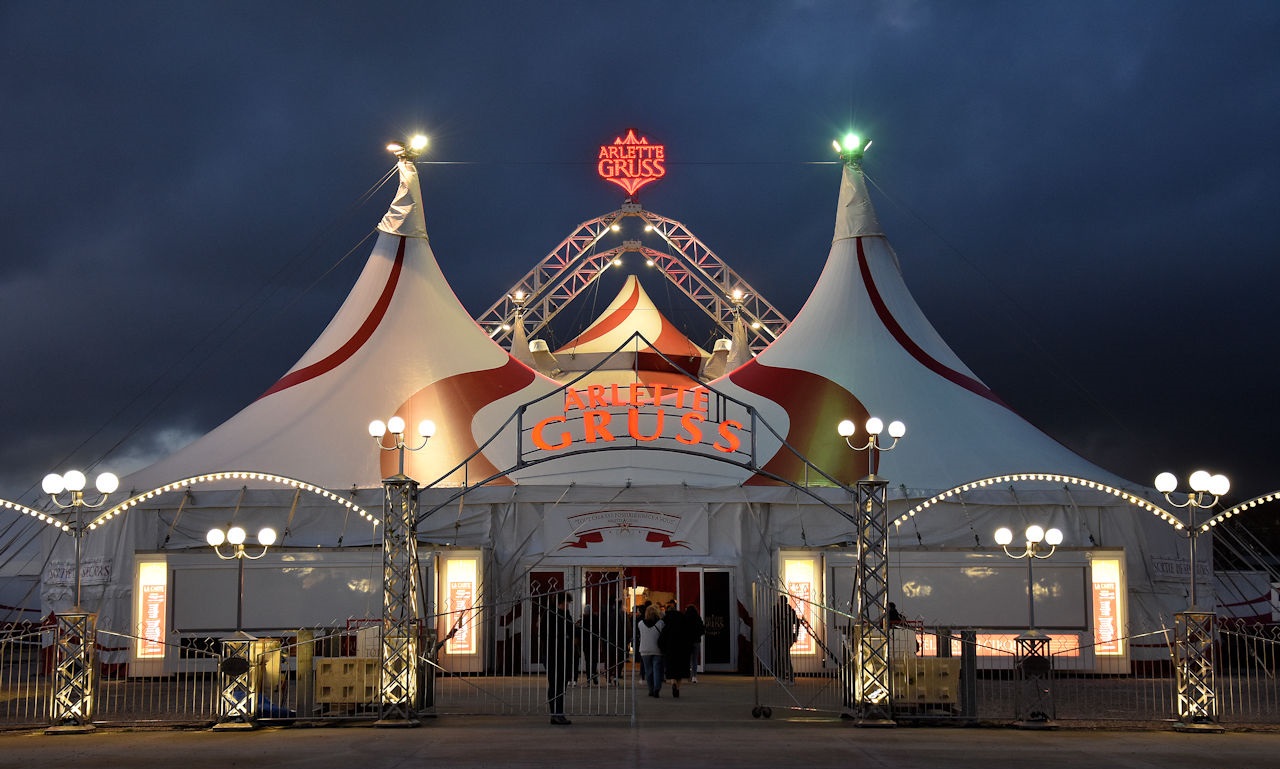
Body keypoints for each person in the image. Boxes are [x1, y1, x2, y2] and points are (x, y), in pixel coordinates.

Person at [541, 592, 576, 725]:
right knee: (555, 684)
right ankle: (556, 713)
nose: (568, 605)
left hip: (565, 654)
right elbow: (544, 634)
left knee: (562, 685)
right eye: (566, 602)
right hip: (552, 654)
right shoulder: (550, 614)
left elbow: (571, 631)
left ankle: (559, 713)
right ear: (559, 602)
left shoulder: (566, 614)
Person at [661, 603, 692, 698]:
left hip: (670, 649)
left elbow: (662, 637)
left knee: (672, 670)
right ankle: (677, 687)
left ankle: (673, 682)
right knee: (680, 671)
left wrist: (663, 648)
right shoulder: (683, 620)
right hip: (682, 649)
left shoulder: (666, 622)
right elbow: (688, 636)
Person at [636, 604, 665, 697]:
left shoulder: (640, 624)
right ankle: (657, 688)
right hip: (657, 649)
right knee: (657, 669)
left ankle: (650, 689)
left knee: (648, 670)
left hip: (645, 649)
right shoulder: (660, 623)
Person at [772, 594, 800, 684]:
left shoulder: (777, 611)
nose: (777, 602)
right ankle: (783, 677)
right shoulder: (790, 611)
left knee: (783, 657)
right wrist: (795, 634)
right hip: (786, 636)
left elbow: (773, 623)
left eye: (778, 601)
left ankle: (788, 677)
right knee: (782, 656)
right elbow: (797, 623)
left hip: (781, 637)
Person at [684, 604, 705, 683]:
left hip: (687, 641)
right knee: (695, 659)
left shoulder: (685, 618)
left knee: (688, 659)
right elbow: (702, 629)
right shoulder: (698, 618)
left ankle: (689, 675)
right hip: (696, 640)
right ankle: (694, 676)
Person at [580, 603, 600, 685]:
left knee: (588, 660)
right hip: (594, 642)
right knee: (594, 660)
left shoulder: (583, 620)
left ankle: (589, 677)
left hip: (586, 643)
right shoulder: (595, 618)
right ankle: (593, 673)